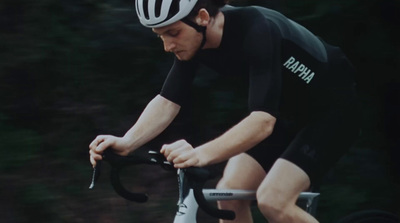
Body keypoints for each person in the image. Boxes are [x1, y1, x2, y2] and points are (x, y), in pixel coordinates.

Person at [89, 0, 360, 222]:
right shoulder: (195, 40)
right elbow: (167, 100)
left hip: (331, 113)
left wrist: (199, 154)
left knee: (273, 200)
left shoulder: (257, 29)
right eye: (160, 36)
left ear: (203, 17)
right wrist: (126, 141)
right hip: (286, 114)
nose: (167, 46)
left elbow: (263, 121)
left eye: (172, 33)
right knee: (229, 194)